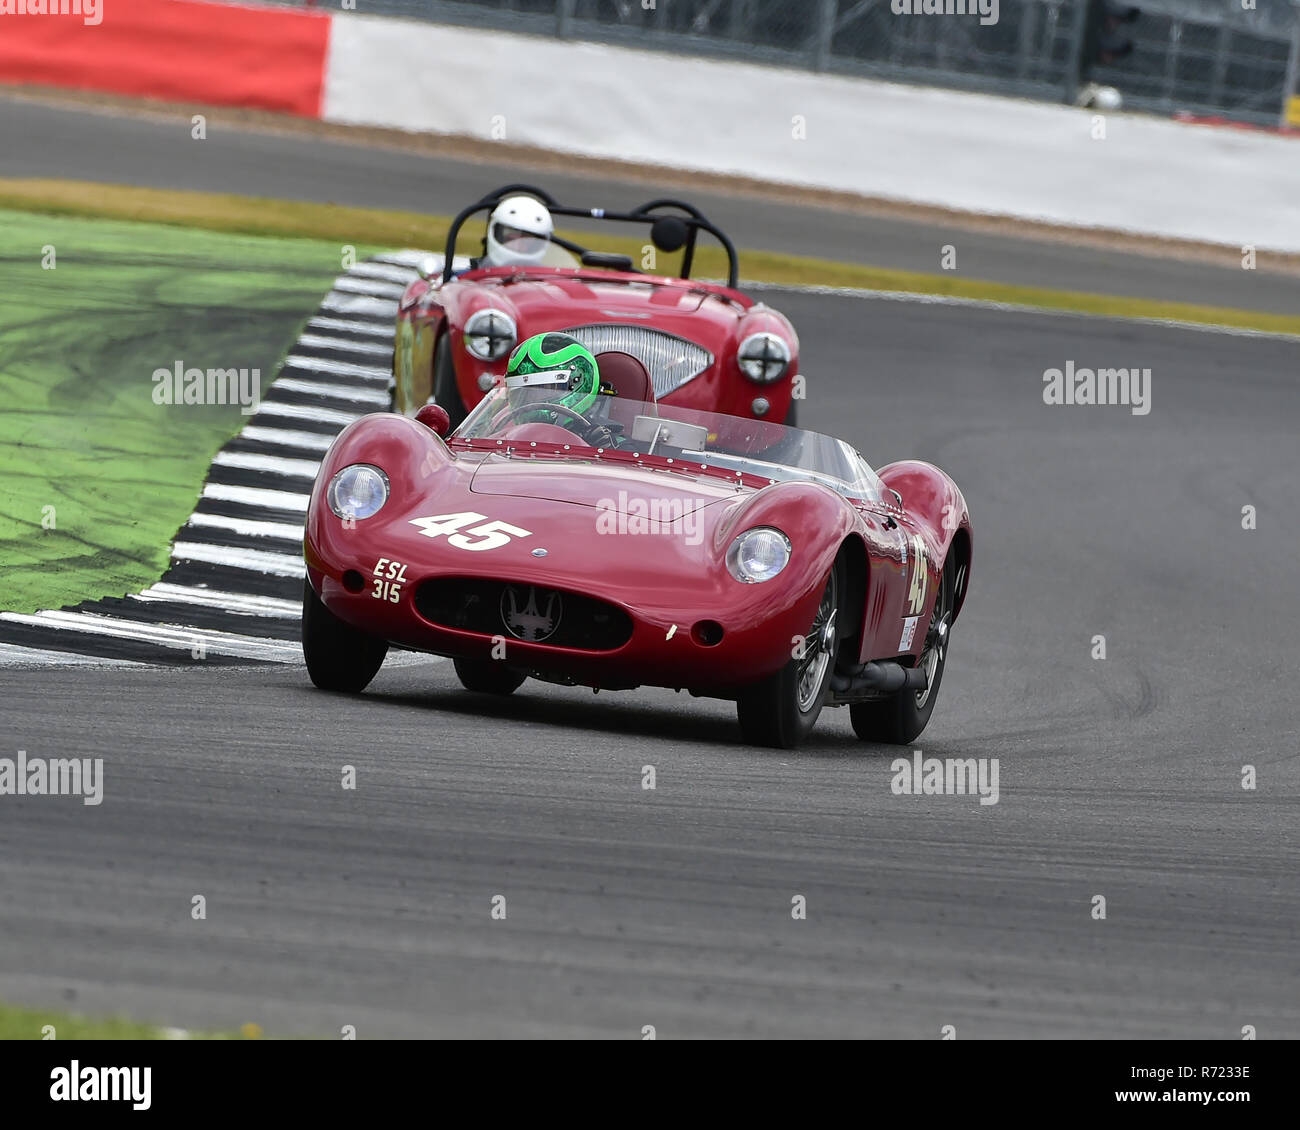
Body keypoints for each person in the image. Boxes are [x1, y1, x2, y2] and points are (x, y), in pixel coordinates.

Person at [501, 333, 621, 448]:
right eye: (522, 393)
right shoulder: (503, 432)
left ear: (577, 382)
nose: (531, 400)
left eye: (544, 389)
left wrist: (601, 453)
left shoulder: (610, 444)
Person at [479, 195, 554, 269]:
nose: (517, 246)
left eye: (526, 242)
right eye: (511, 239)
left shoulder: (549, 278)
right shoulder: (469, 272)